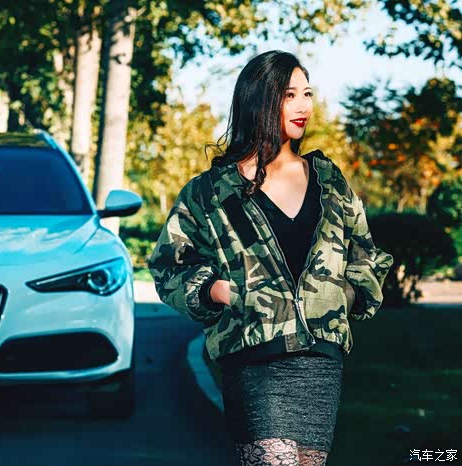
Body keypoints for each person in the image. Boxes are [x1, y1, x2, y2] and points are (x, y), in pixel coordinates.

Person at [146, 50, 394, 466]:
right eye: (289, 95)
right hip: (253, 359)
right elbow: (168, 265)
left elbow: (365, 253)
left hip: (320, 363)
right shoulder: (211, 192)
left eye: (307, 94)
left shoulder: (329, 182)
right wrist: (217, 291)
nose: (303, 106)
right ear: (259, 100)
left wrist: (345, 295)